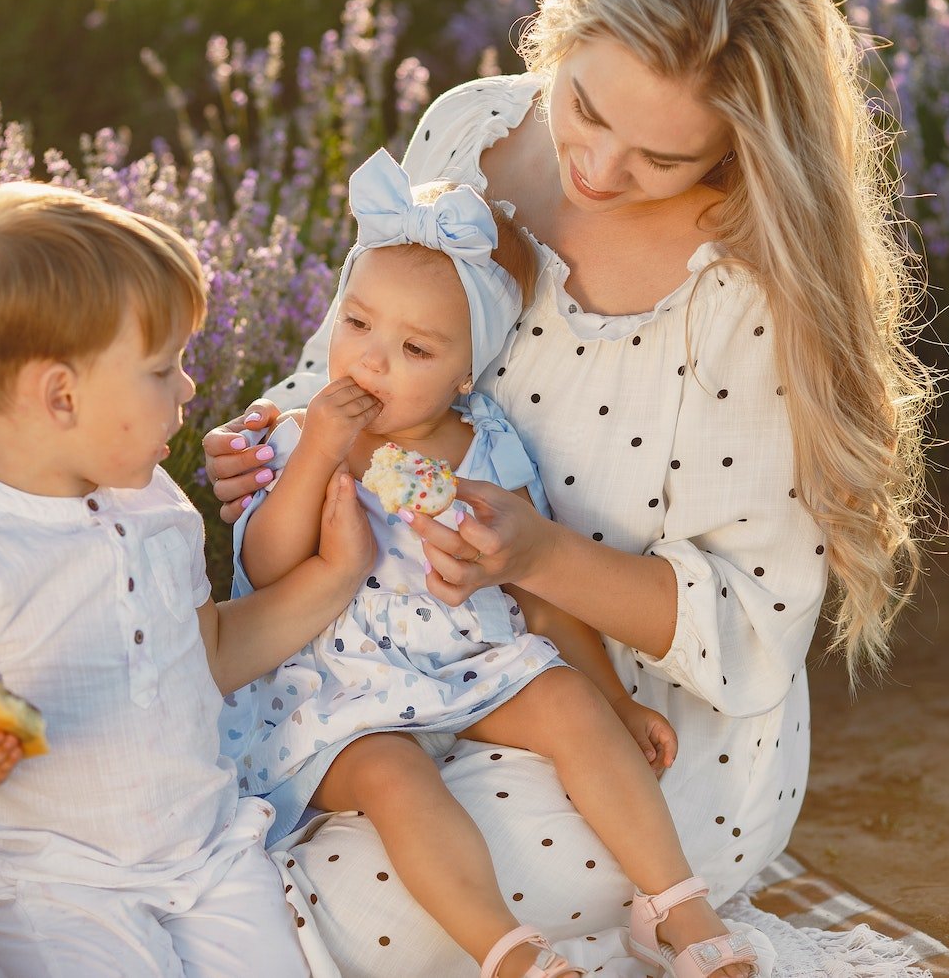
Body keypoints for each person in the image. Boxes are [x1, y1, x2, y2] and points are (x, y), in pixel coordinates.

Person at [203, 0, 934, 973]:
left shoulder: (743, 294)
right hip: (361, 648)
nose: (593, 165)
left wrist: (537, 556)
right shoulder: (470, 134)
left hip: (617, 704)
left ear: (738, 149)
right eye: (583, 108)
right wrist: (271, 438)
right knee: (203, 816)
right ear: (560, 35)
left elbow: (753, 618)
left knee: (354, 902)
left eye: (661, 156)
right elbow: (346, 363)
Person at [223, 148, 759, 978]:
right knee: (395, 779)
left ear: (468, 367)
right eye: (356, 324)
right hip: (340, 691)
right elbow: (266, 567)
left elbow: (539, 597)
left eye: (415, 349)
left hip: (468, 661)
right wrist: (316, 452)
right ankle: (505, 949)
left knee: (568, 704)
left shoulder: (488, 449)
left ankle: (678, 906)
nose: (371, 361)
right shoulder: (299, 435)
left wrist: (614, 697)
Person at [0, 181, 376, 977]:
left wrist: (337, 572)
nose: (186, 388)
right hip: (59, 882)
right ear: (61, 395)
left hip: (204, 853)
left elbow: (205, 654)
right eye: (162, 368)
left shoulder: (155, 504)